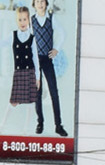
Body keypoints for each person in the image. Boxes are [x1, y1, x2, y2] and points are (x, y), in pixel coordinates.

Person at [31, 0, 67, 137]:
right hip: (35, 60)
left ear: (46, 3)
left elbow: (62, 33)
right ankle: (40, 122)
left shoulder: (51, 18)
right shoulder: (31, 19)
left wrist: (56, 49)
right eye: (37, 1)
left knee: (53, 91)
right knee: (37, 92)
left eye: (42, 1)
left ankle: (58, 125)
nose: (40, 4)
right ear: (34, 4)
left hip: (47, 59)